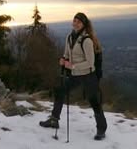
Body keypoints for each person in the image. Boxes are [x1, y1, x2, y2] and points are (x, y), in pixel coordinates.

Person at [40, 12, 107, 140]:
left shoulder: (87, 40)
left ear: (84, 24)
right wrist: (63, 59)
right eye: (74, 20)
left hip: (88, 75)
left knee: (94, 101)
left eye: (79, 21)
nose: (75, 23)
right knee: (60, 91)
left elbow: (90, 62)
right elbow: (66, 53)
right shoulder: (70, 37)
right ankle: (54, 119)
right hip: (75, 74)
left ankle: (101, 129)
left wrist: (73, 66)